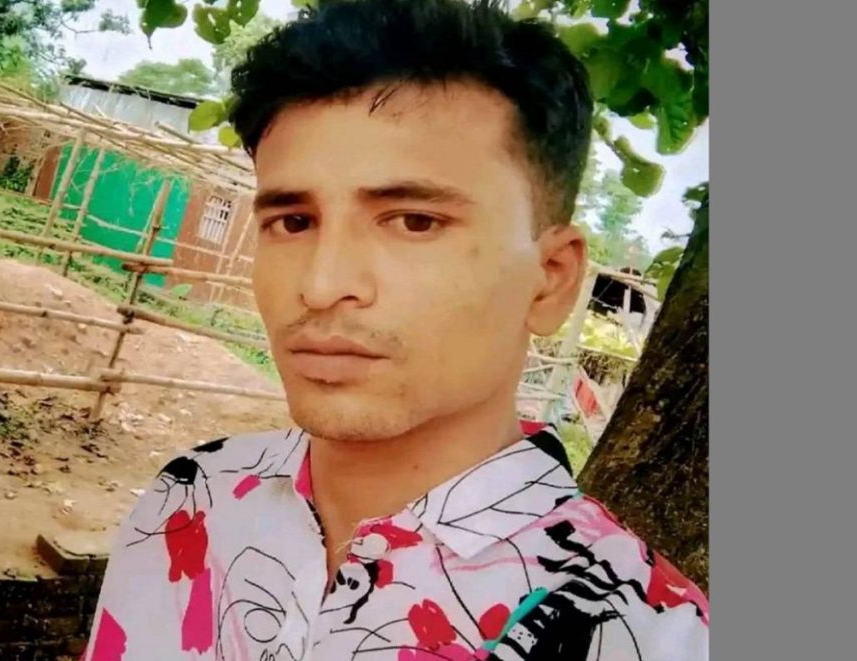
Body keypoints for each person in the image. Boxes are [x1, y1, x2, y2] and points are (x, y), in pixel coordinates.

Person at [83, 1, 709, 659]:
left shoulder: (651, 635)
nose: (321, 285)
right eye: (293, 222)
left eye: (414, 221)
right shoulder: (189, 497)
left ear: (549, 279)